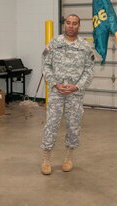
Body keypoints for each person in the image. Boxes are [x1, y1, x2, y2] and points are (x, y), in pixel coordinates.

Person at [40, 14, 95, 175]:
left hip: (75, 95)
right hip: (57, 92)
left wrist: (77, 87)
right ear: (64, 24)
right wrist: (54, 83)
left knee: (73, 126)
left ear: (79, 26)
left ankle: (69, 158)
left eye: (75, 23)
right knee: (51, 125)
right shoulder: (54, 43)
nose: (71, 26)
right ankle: (46, 159)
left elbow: (89, 71)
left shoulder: (85, 47)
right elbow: (45, 65)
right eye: (68, 23)